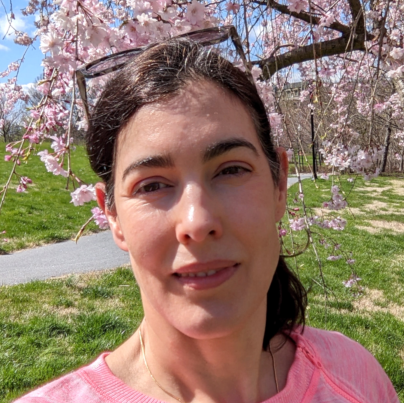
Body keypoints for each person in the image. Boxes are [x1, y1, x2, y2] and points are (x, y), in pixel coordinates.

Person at [15, 28, 399, 403]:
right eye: (151, 185)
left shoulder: (356, 376)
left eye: (231, 170)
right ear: (112, 216)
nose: (197, 222)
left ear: (279, 184)